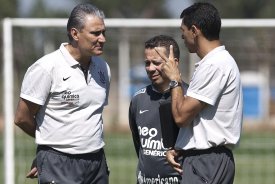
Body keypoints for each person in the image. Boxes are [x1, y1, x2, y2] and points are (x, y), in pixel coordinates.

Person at [14, 3, 110, 184]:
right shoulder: (46, 67)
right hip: (58, 162)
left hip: (97, 162)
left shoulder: (103, 68)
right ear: (75, 34)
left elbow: (92, 115)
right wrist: (48, 150)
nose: (102, 38)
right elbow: (21, 117)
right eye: (95, 33)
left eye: (104, 32)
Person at [155, 2, 243, 184]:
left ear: (194, 30)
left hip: (207, 162)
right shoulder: (214, 63)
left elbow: (181, 116)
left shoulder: (214, 65)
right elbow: (202, 120)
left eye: (183, 30)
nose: (181, 36)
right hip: (204, 160)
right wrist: (182, 147)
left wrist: (174, 79)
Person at [129, 35, 189, 184]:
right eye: (147, 63)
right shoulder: (138, 99)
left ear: (174, 63)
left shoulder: (191, 98)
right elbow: (139, 144)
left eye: (156, 63)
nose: (150, 68)